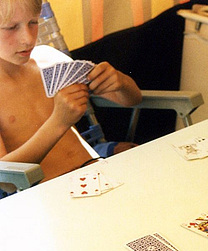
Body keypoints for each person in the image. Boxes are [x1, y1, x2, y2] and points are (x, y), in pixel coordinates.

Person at [0, 0, 142, 194]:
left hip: (97, 176)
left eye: (33, 22)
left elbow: (132, 100)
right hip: (47, 199)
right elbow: (5, 180)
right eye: (11, 27)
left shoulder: (48, 60)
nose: (28, 38)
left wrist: (120, 82)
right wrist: (59, 122)